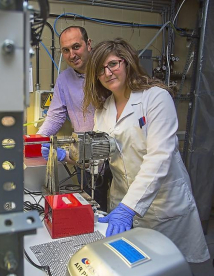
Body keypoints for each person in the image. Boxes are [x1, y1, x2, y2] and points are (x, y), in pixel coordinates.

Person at [83, 38, 210, 263]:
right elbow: (102, 155)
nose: (108, 73)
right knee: (131, 264)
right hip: (122, 200)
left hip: (162, 205)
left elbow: (160, 157)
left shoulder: (156, 98)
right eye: (101, 69)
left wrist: (129, 208)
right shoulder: (103, 110)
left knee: (168, 266)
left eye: (113, 64)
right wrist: (74, 156)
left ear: (127, 62)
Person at [38, 26, 109, 210]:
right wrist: (36, 141)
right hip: (83, 157)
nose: (72, 54)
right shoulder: (64, 79)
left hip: (112, 153)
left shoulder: (106, 74)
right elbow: (55, 116)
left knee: (118, 202)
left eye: (76, 46)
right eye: (66, 50)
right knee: (94, 208)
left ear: (89, 44)